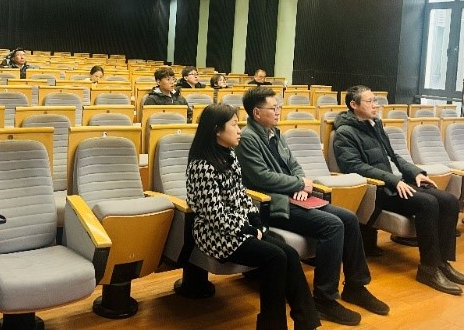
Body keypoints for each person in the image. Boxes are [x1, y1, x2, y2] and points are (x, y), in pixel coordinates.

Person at [235, 87, 388, 326]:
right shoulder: (247, 139)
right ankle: (324, 298)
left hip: (294, 196)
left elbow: (294, 164)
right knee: (333, 225)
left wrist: (301, 183)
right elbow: (261, 177)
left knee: (349, 218)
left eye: (278, 107)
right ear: (256, 112)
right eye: (273, 108)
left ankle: (355, 286)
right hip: (272, 204)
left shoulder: (275, 132)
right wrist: (297, 184)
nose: (278, 111)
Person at [186, 103, 320, 330]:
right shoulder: (202, 166)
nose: (239, 130)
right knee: (275, 257)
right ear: (217, 130)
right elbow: (213, 214)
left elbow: (242, 194)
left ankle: (307, 322)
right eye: (234, 125)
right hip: (215, 233)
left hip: (240, 226)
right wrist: (248, 229)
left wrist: (256, 221)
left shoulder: (229, 155)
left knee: (288, 252)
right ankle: (272, 325)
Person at [333, 85, 464, 295]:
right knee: (428, 203)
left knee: (449, 201)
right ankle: (429, 268)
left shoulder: (375, 124)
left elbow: (393, 156)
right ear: (354, 105)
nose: (376, 105)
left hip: (396, 183)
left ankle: (442, 262)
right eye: (370, 101)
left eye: (376, 100)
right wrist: (393, 181)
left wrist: (415, 173)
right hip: (378, 190)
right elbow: (354, 166)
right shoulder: (344, 133)